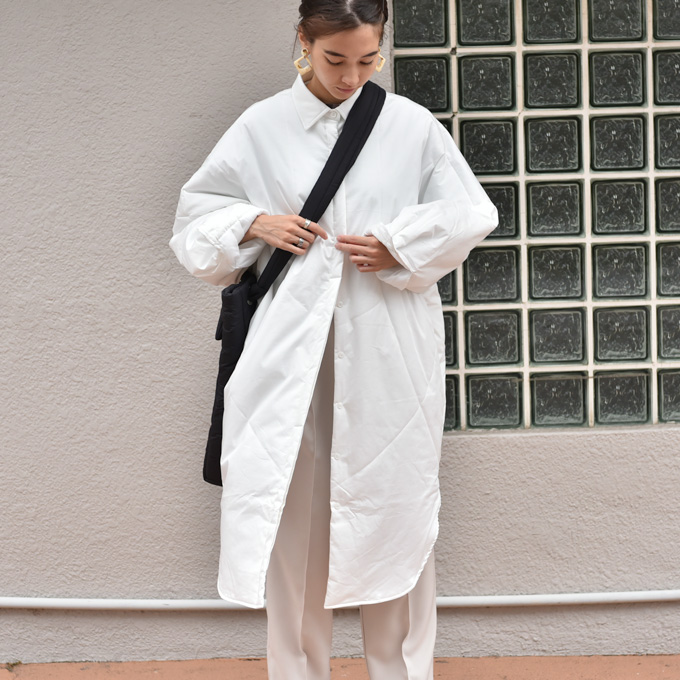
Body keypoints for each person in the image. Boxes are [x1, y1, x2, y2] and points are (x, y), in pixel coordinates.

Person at [170, 1, 498, 678]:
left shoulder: (409, 126)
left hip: (388, 349)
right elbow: (194, 226)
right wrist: (254, 222)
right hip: (291, 355)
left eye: (367, 59)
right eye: (335, 59)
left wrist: (399, 243)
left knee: (398, 511)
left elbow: (471, 211)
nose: (351, 76)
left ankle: (400, 671)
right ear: (303, 41)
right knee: (292, 522)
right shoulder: (261, 127)